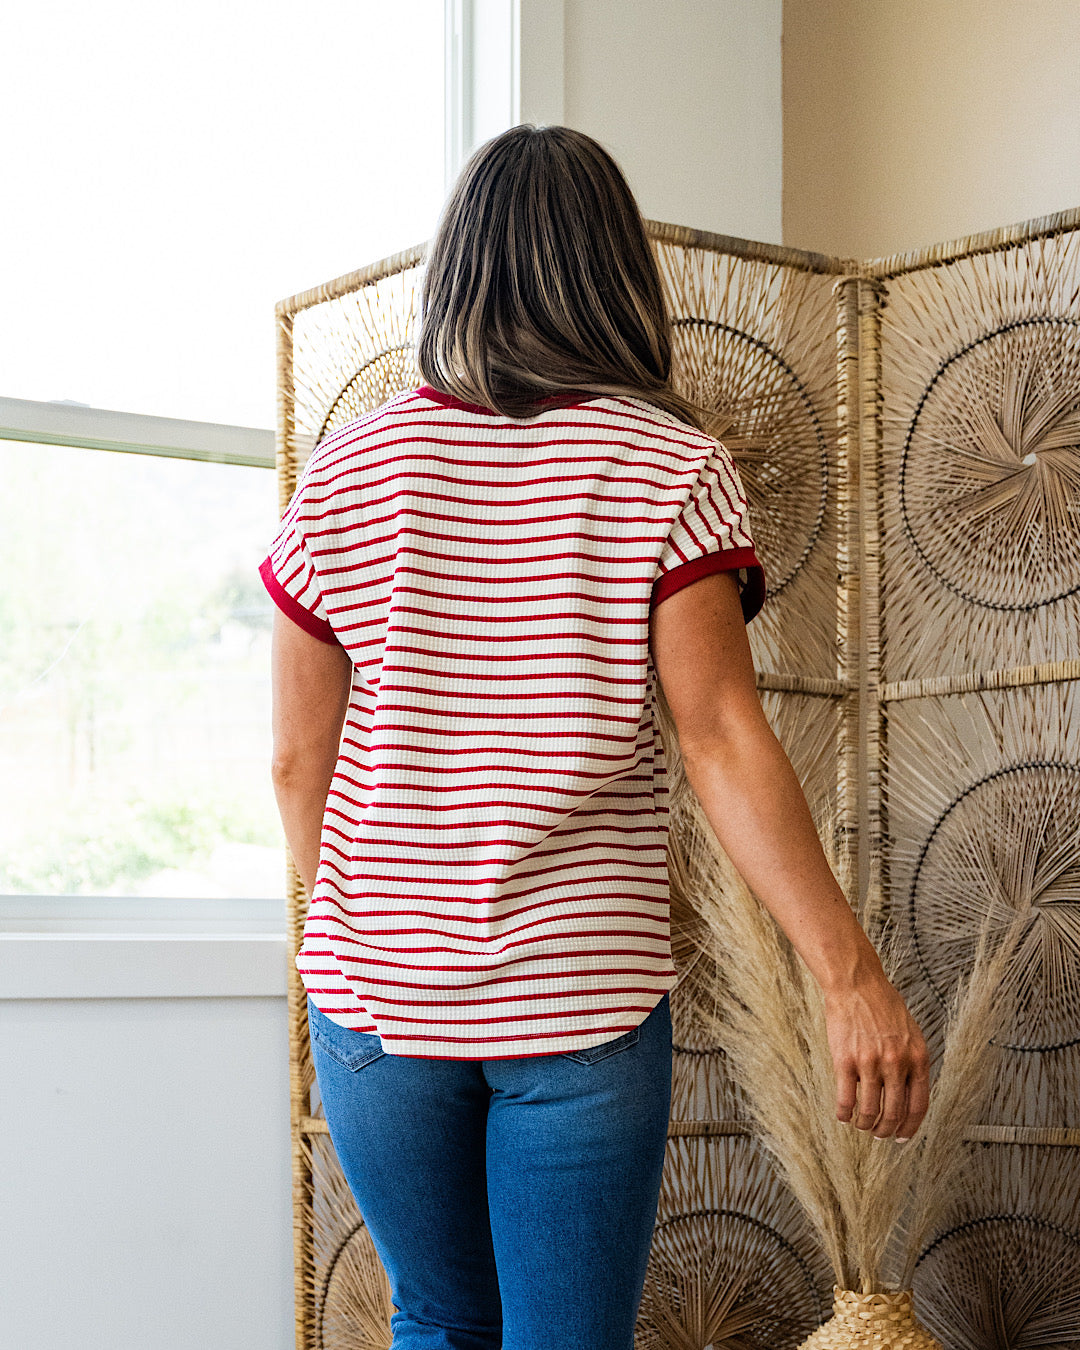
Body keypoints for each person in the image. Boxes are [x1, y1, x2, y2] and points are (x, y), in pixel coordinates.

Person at [261, 123, 930, 1350]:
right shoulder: (669, 465)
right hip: (579, 1001)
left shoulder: (346, 470)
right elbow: (723, 735)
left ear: (454, 272)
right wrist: (849, 974)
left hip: (375, 1001)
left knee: (437, 1322)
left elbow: (299, 760)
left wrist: (359, 933)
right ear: (616, 275)